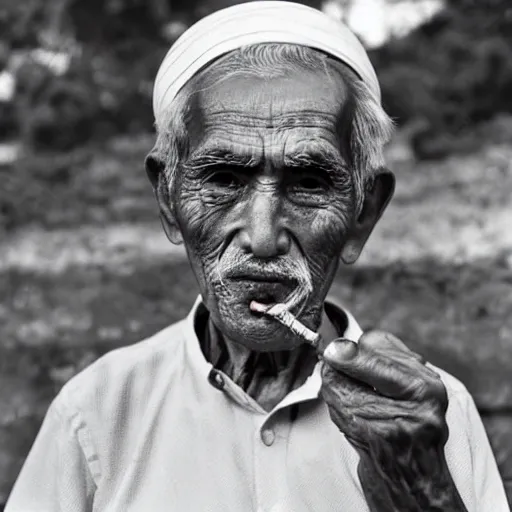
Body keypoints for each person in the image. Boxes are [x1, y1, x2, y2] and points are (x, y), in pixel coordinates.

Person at [6, 2, 510, 511]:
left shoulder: (431, 419)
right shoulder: (95, 413)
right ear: (168, 199)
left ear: (364, 213)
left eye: (310, 183)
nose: (264, 238)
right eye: (224, 179)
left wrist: (424, 494)